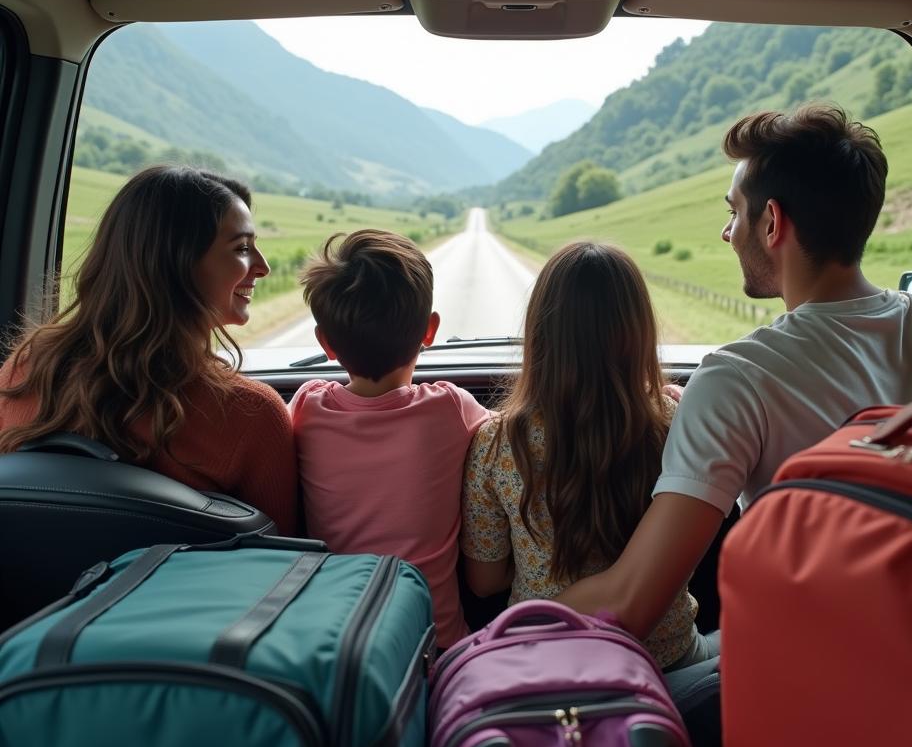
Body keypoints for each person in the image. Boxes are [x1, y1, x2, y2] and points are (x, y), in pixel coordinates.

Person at [557, 104, 912, 654]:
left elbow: (630, 603)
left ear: (773, 223)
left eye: (735, 212)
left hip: (822, 683)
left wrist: (488, 639)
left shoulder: (738, 379)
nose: (727, 232)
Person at [0, 164, 298, 533]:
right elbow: (285, 563)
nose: (264, 267)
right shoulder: (249, 415)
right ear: (175, 263)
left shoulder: (24, 372)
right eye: (242, 248)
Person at [461, 241, 699, 669]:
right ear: (639, 331)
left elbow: (483, 582)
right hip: (667, 658)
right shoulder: (673, 422)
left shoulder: (497, 444)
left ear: (540, 333)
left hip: (552, 661)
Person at [289, 229, 490, 649]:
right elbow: (512, 432)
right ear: (430, 330)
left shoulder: (307, 407)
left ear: (325, 342)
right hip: (436, 648)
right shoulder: (451, 408)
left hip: (338, 647)